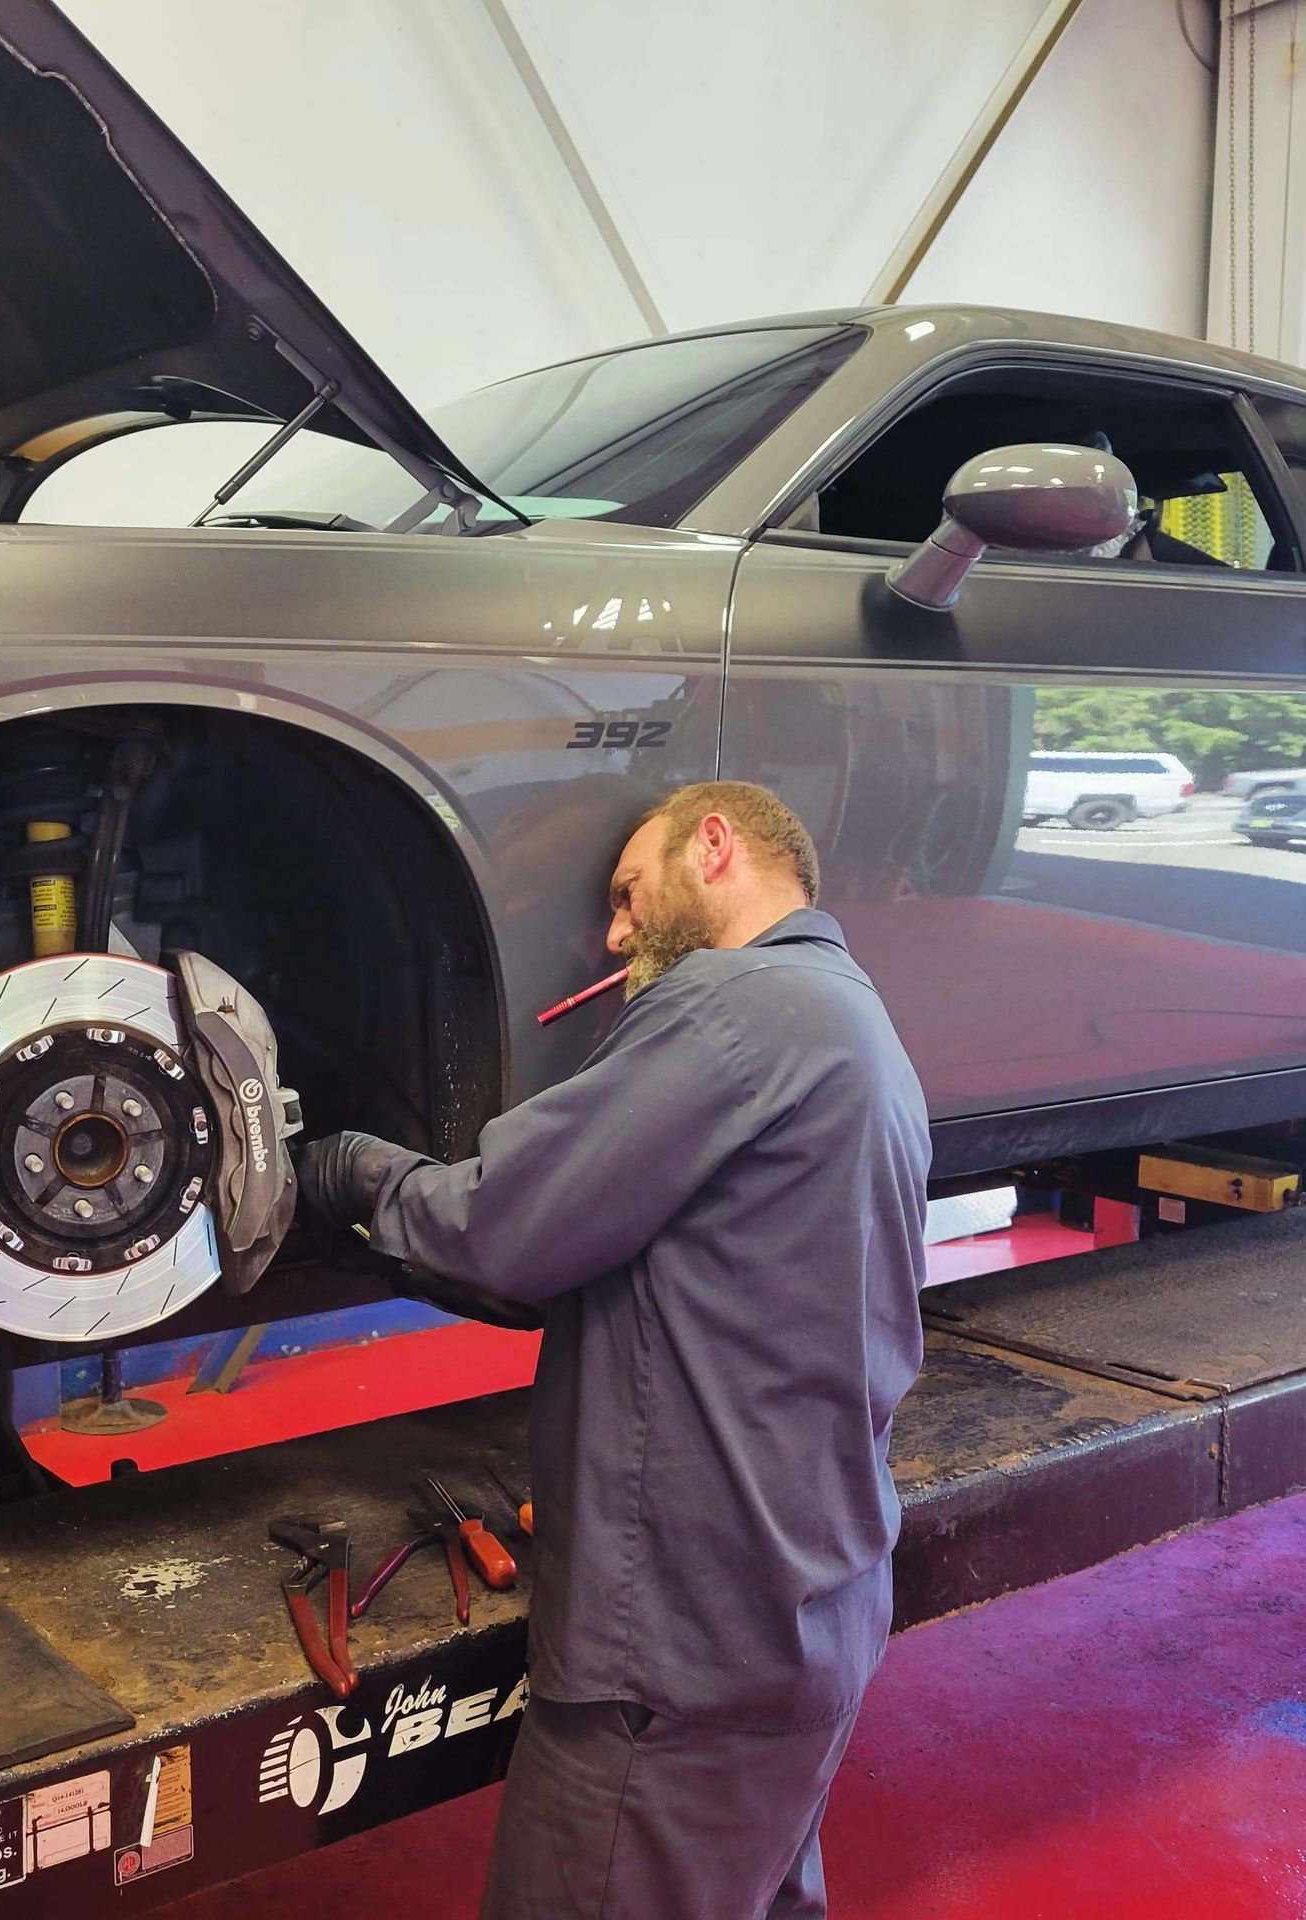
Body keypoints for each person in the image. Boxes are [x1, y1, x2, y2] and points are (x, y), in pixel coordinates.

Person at [296, 781, 929, 1920]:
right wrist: (407, 1255)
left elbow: (501, 1226)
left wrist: (353, 1173)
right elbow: (633, 1271)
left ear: (717, 845)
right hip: (812, 1609)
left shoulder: (732, 1005)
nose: (614, 933)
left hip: (686, 1649)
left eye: (628, 892)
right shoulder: (856, 1022)